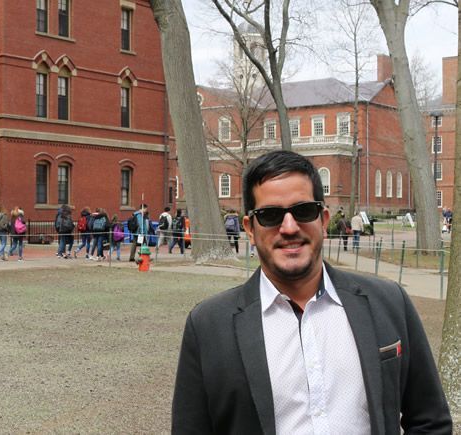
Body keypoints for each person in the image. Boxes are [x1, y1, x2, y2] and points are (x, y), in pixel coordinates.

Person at [172, 150, 452, 434]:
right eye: (270, 215)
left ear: (323, 219)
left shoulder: (388, 302)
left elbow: (430, 421)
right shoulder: (208, 325)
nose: (289, 227)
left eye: (303, 211)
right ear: (250, 229)